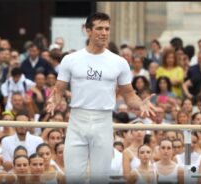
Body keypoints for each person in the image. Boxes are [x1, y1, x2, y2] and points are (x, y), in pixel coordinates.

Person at [46, 12, 156, 184]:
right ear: (88, 31)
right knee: (73, 178)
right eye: (99, 28)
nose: (104, 33)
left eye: (107, 29)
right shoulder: (70, 59)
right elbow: (59, 89)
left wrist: (139, 104)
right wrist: (54, 100)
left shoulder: (119, 62)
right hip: (77, 121)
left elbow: (128, 94)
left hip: (104, 121)